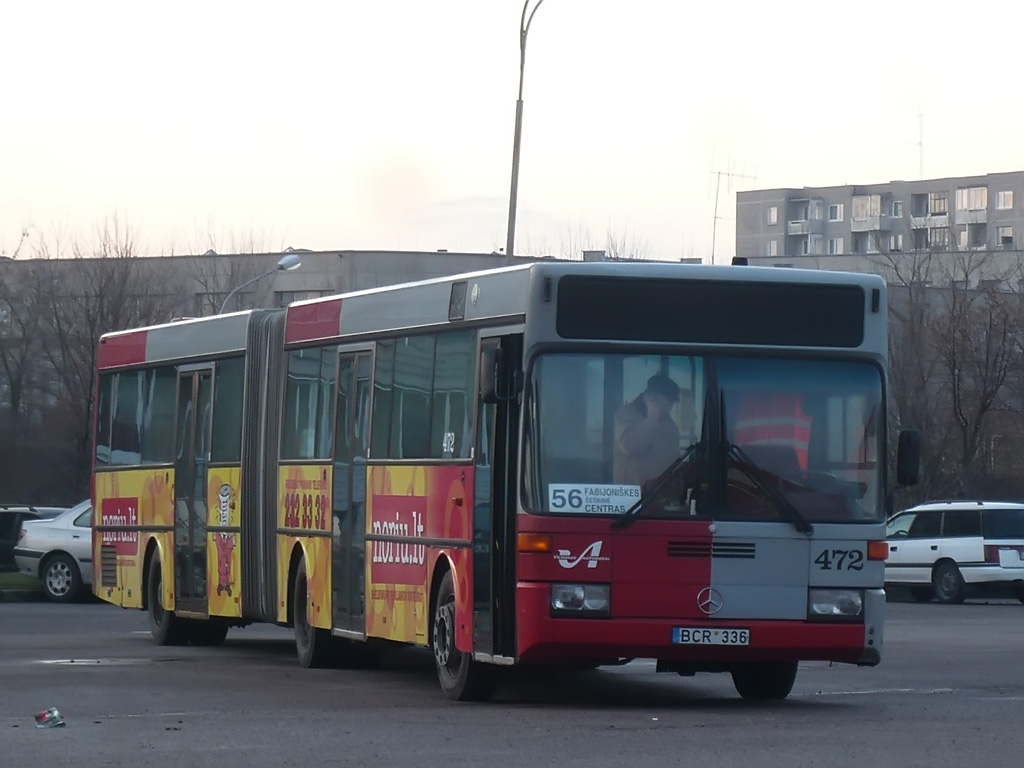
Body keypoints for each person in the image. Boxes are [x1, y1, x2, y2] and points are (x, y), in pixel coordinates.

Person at [614, 374, 682, 488]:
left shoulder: (666, 420)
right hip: (636, 493)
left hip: (662, 489)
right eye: (666, 404)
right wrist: (651, 419)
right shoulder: (625, 415)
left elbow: (672, 448)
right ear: (652, 398)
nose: (669, 409)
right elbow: (631, 447)